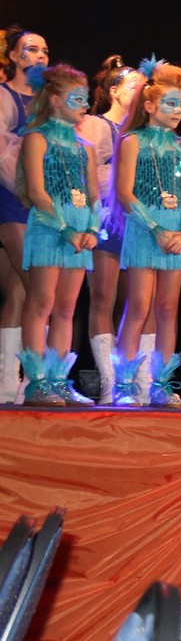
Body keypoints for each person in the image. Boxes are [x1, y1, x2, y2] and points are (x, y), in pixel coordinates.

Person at [112, 64, 181, 406]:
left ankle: (160, 383)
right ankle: (124, 383)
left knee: (167, 308)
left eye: (180, 105)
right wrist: (156, 229)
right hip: (144, 229)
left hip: (177, 233)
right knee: (139, 306)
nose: (177, 111)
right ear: (149, 106)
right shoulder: (132, 141)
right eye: (169, 104)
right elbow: (125, 193)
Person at [16, 65, 98, 405]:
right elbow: (37, 191)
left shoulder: (85, 146)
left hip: (79, 232)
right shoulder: (37, 138)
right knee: (42, 303)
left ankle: (58, 379)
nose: (85, 105)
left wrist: (91, 228)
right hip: (51, 228)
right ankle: (36, 381)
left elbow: (94, 195)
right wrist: (65, 227)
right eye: (76, 98)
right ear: (54, 101)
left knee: (66, 307)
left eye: (86, 99)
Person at [81, 55, 147, 402]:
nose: (141, 91)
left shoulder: (146, 132)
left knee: (134, 302)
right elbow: (87, 171)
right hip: (106, 220)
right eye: (134, 85)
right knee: (103, 298)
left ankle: (132, 379)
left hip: (138, 224)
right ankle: (109, 381)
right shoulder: (96, 124)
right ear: (114, 90)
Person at [0, 27, 47, 403]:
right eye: (31, 49)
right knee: (38, 288)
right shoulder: (4, 95)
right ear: (14, 56)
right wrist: (29, 186)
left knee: (19, 291)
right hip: (13, 199)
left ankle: (8, 381)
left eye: (45, 51)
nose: (40, 56)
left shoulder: (50, 99)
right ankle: (36, 378)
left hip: (43, 204)